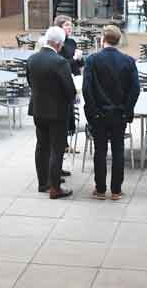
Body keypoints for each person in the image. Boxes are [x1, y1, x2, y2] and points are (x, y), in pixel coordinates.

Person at [82, 25, 140, 200]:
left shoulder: (92, 60)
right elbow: (135, 89)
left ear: (102, 39)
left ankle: (100, 189)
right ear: (119, 40)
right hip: (119, 114)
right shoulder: (128, 61)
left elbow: (87, 89)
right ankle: (116, 190)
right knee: (118, 151)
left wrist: (93, 111)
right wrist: (126, 110)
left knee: (99, 151)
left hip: (99, 115)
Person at [27, 26, 77, 199]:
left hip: (38, 109)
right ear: (59, 44)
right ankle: (55, 188)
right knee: (57, 149)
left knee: (42, 146)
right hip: (57, 112)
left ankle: (43, 183)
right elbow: (69, 90)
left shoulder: (32, 59)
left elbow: (30, 83)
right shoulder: (60, 62)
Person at [54, 15, 83, 161]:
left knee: (70, 112)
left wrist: (80, 59)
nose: (69, 28)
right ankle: (62, 145)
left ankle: (65, 144)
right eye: (66, 25)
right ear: (59, 27)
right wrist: (74, 59)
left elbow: (77, 64)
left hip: (74, 80)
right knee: (65, 113)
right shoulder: (57, 44)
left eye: (70, 25)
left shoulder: (71, 42)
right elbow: (62, 64)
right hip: (64, 82)